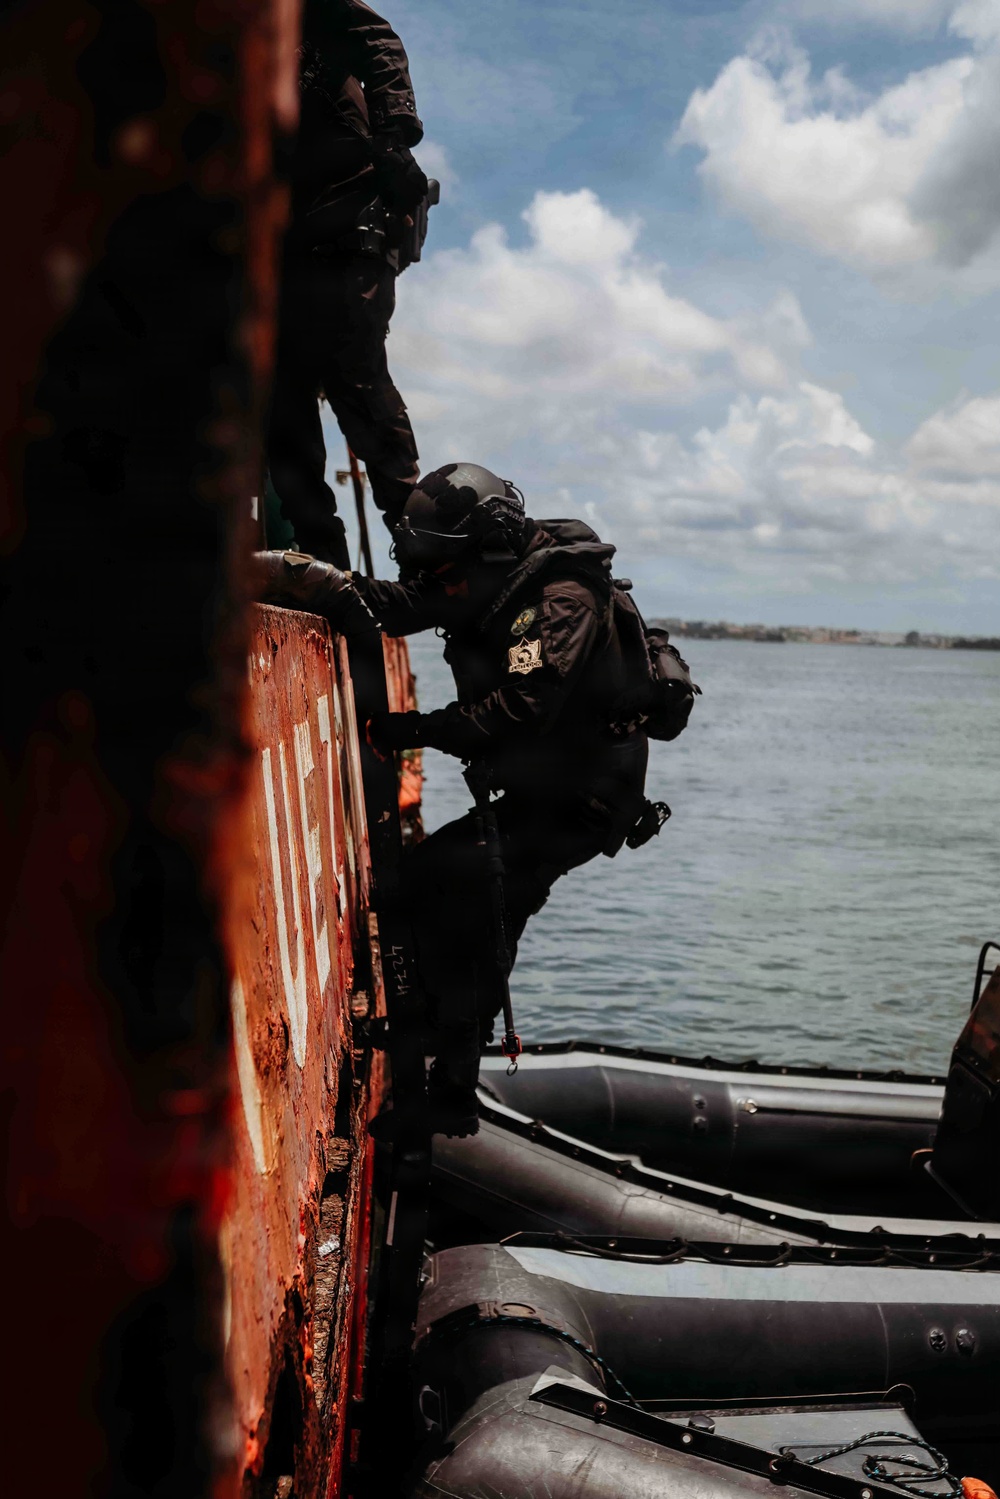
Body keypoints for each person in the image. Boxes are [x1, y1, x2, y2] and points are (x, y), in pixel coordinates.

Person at [254, 463, 657, 1137]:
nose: (440, 584)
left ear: (485, 550)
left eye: (445, 571)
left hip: (580, 803)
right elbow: (399, 605)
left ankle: (442, 1082)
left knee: (447, 891)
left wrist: (415, 730)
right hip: (541, 793)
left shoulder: (560, 601)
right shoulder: (482, 578)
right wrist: (301, 577)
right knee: (466, 908)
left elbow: (524, 707)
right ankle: (445, 1082)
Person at [267, 0, 428, 567]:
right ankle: (320, 568)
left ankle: (428, 562)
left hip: (349, 226)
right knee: (282, 412)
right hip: (279, 247)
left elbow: (377, 40)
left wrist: (393, 137)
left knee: (359, 386)